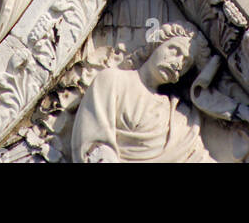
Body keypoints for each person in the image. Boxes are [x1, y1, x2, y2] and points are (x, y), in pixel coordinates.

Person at [71, 24, 213, 164]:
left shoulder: (181, 119)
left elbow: (198, 157)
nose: (178, 64)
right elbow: (93, 142)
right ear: (156, 45)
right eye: (174, 50)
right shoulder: (112, 80)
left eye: (186, 63)